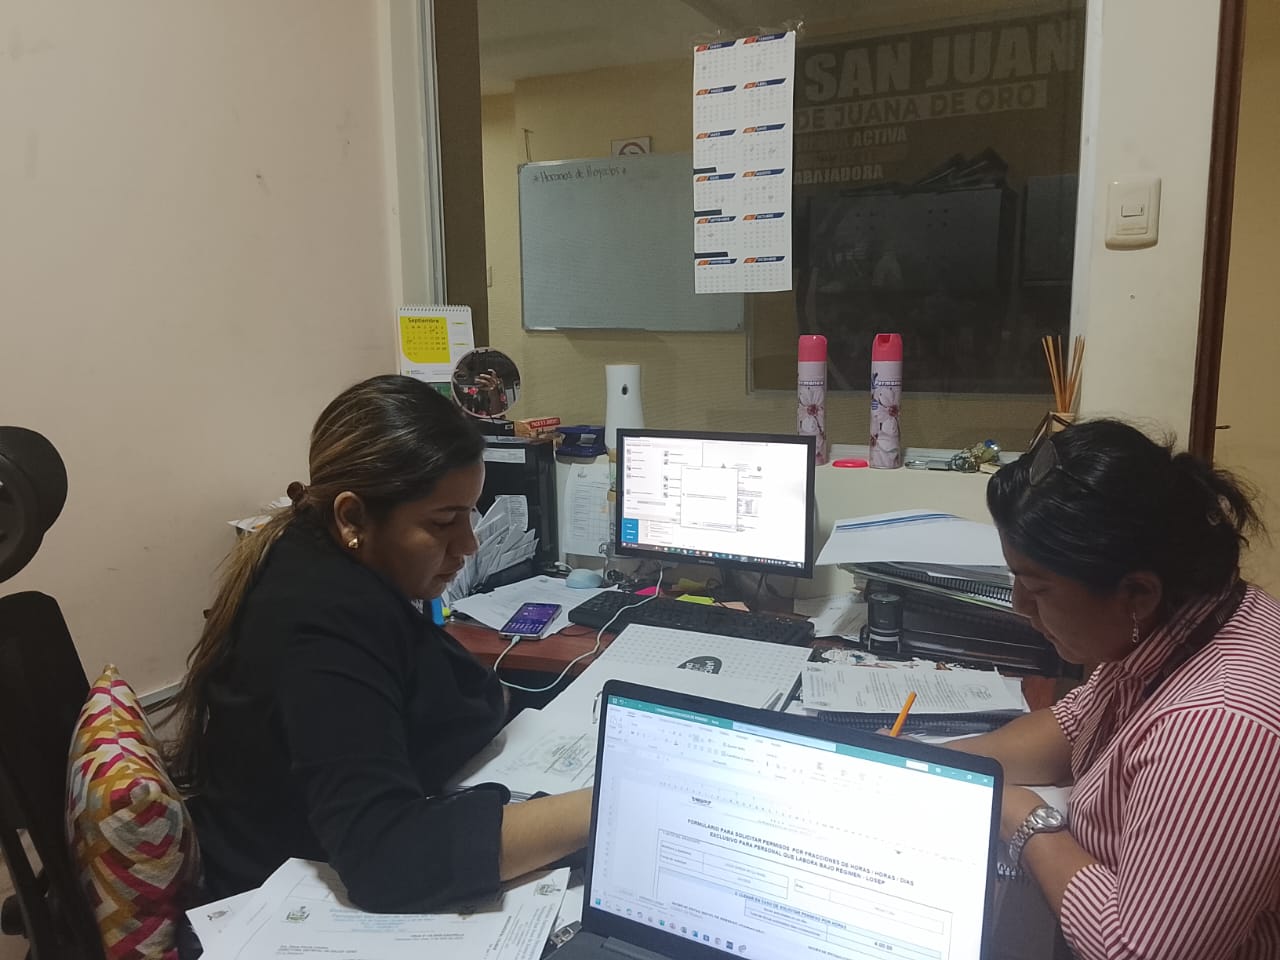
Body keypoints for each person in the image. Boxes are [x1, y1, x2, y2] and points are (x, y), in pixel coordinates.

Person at [167, 375, 590, 911]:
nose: (468, 544)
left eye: (469, 514)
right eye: (444, 521)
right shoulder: (320, 621)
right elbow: (385, 857)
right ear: (352, 518)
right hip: (282, 907)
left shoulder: (328, 562)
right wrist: (604, 806)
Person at [952, 419, 1280, 960]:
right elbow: (1072, 725)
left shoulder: (1221, 728)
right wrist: (929, 762)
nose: (1019, 605)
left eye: (1036, 587)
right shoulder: (1182, 622)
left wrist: (1021, 815)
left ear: (1138, 593)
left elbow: (1135, 950)